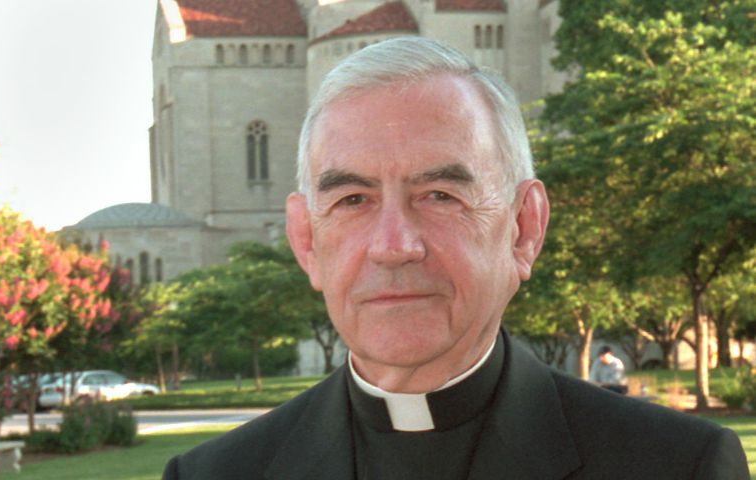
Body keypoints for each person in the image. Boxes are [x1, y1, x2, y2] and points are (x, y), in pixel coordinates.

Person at [162, 37, 748, 480]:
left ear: (524, 227)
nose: (394, 246)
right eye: (352, 199)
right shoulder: (212, 475)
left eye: (440, 196)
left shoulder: (677, 466)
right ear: (306, 241)